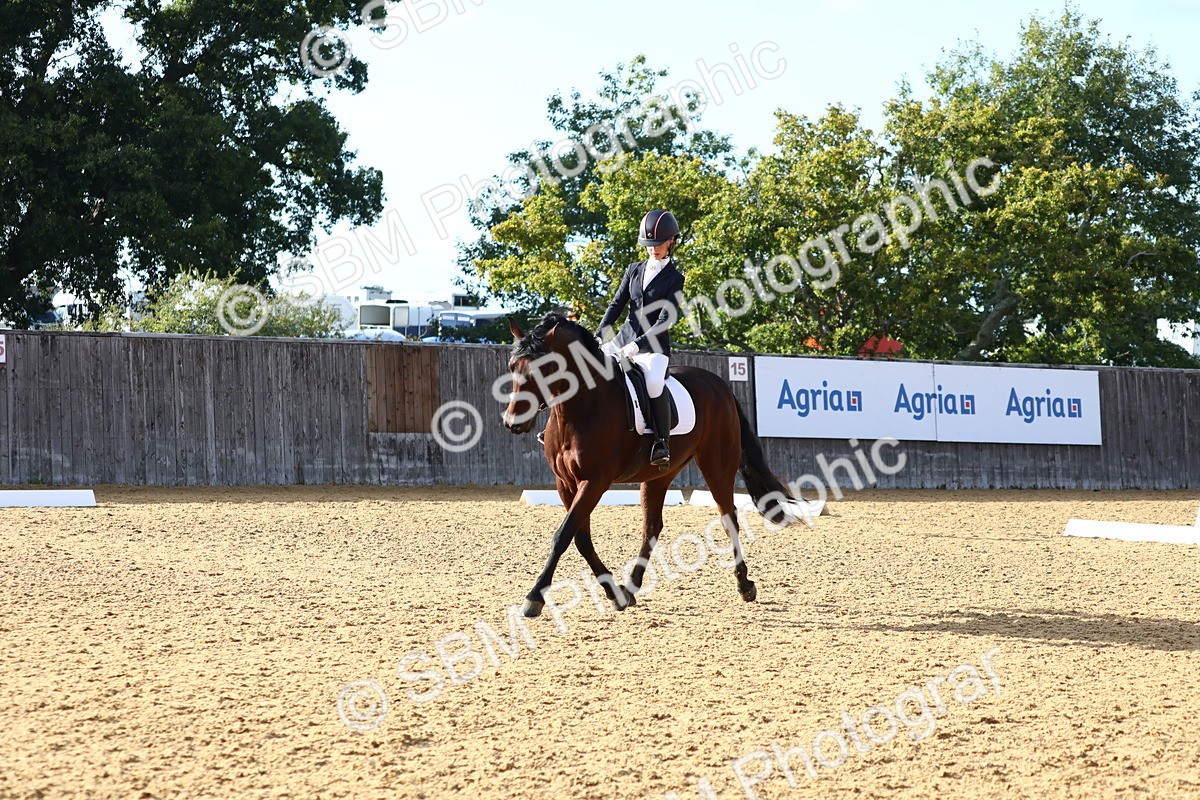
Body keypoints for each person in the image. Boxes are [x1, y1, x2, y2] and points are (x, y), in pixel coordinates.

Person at [596, 209, 685, 467]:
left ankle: (661, 443)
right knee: (587, 366)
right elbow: (616, 304)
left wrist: (637, 345)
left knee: (654, 383)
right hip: (623, 338)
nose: (652, 249)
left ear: (671, 242)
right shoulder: (633, 269)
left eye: (658, 244)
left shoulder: (675, 279)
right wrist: (600, 334)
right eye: (648, 245)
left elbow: (663, 320)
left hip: (654, 346)